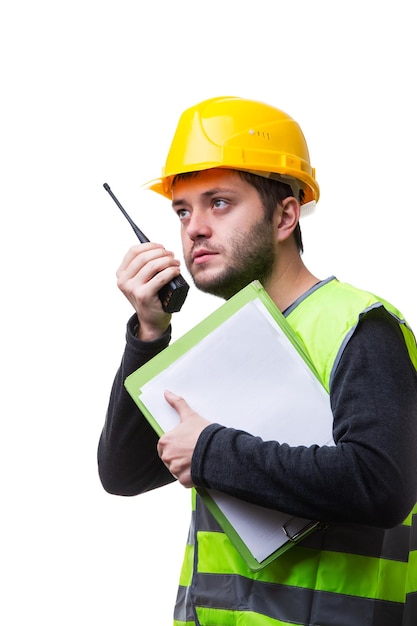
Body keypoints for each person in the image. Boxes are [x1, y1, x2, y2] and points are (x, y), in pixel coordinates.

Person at [98, 96, 417, 626]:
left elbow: (381, 485)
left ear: (286, 215)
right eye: (183, 210)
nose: (194, 227)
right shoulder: (222, 347)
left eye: (218, 202)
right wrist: (150, 334)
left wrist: (211, 451)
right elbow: (125, 472)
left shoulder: (360, 327)